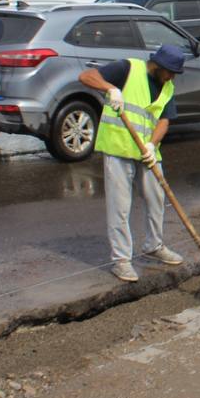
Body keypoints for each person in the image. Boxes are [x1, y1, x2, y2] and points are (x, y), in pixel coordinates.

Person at [79, 44, 187, 282]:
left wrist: (151, 145)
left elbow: (164, 121)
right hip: (118, 147)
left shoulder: (167, 86)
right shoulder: (127, 68)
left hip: (147, 152)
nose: (171, 77)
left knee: (157, 197)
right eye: (170, 72)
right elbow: (86, 76)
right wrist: (111, 89)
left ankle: (154, 245)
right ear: (158, 66)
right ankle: (121, 261)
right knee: (120, 206)